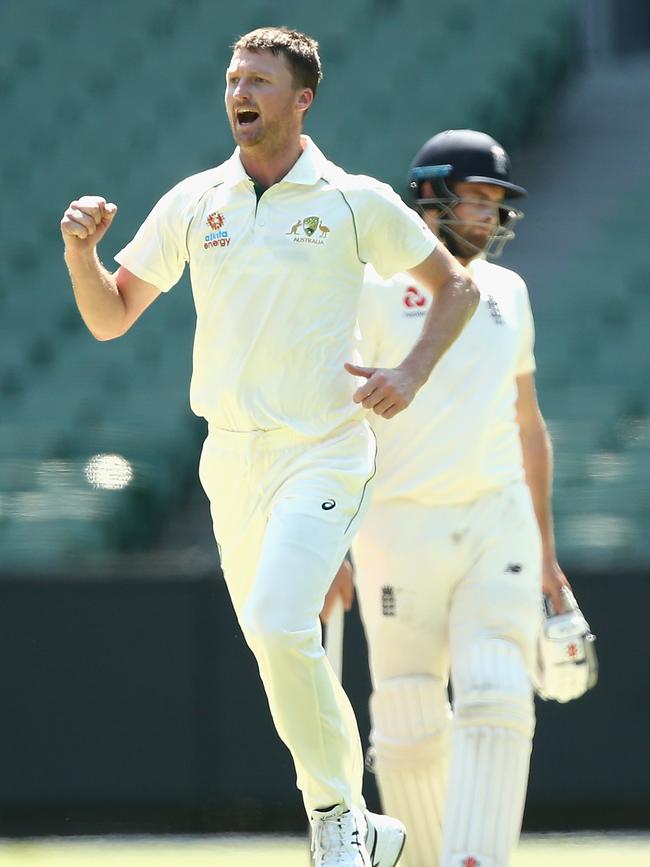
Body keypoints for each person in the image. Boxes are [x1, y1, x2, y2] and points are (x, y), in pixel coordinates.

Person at [59, 29, 478, 867]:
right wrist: (82, 251)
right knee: (274, 640)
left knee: (284, 623)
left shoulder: (352, 199)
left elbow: (454, 286)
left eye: (258, 79)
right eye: (232, 78)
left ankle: (334, 821)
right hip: (232, 462)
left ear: (301, 99)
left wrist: (411, 370)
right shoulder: (194, 201)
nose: (239, 90)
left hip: (323, 450)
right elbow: (109, 315)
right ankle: (367, 825)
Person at [326, 129, 570, 867]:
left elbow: (528, 421)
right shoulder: (367, 283)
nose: (491, 215)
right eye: (479, 197)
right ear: (430, 196)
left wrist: (548, 556)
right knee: (405, 716)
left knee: (497, 685)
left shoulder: (508, 291)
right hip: (396, 528)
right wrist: (329, 538)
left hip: (497, 524)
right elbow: (332, 411)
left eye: (498, 202)